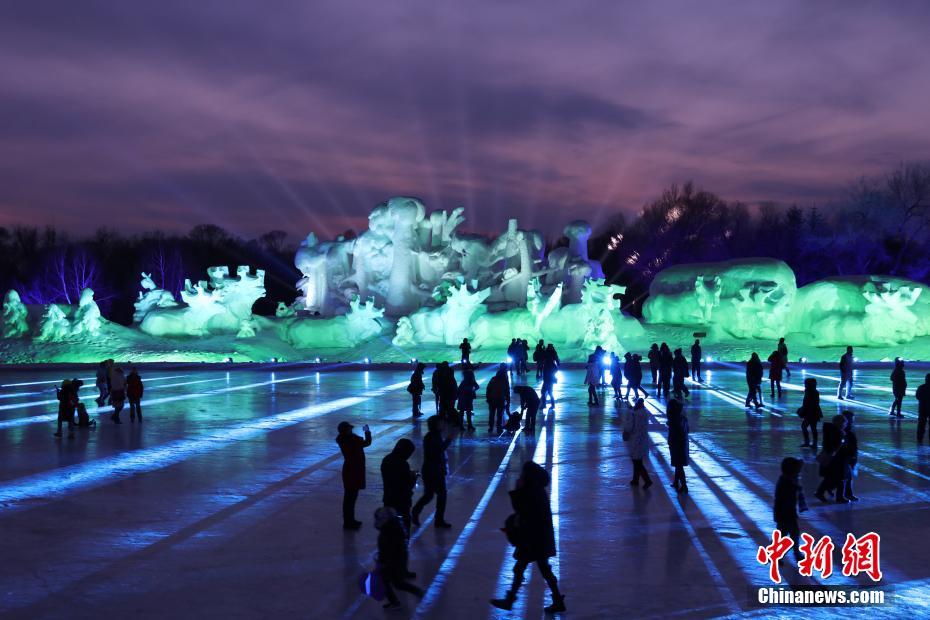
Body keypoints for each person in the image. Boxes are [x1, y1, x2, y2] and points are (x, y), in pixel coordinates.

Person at [490, 461, 565, 613]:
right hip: (539, 538)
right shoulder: (537, 489)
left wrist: (518, 490)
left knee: (522, 568)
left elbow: (522, 510)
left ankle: (510, 600)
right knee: (541, 569)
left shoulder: (532, 491)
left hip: (533, 540)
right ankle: (557, 601)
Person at [376, 507, 423, 611]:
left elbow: (388, 549)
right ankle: (417, 592)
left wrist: (383, 561)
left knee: (388, 581)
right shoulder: (393, 528)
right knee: (397, 583)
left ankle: (396, 602)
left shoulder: (389, 532)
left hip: (392, 561)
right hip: (396, 559)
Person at [412, 415, 454, 528]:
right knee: (439, 495)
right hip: (433, 471)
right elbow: (437, 452)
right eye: (441, 423)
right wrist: (448, 440)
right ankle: (437, 519)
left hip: (433, 470)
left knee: (430, 495)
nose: (443, 424)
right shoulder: (431, 437)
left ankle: (417, 512)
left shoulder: (434, 436)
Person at [336, 420, 372, 530]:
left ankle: (349, 520)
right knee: (350, 498)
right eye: (349, 429)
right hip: (353, 471)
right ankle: (349, 522)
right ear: (346, 431)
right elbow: (367, 443)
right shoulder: (351, 440)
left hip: (350, 470)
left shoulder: (346, 440)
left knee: (350, 497)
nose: (351, 430)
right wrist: (367, 432)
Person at [381, 438, 418, 534]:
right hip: (402, 501)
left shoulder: (387, 459)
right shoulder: (403, 464)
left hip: (389, 498)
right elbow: (407, 484)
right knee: (404, 527)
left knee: (390, 527)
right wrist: (414, 477)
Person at [773, 457, 807, 561]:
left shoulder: (786, 480)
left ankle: (793, 553)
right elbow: (784, 499)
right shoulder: (786, 483)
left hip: (787, 513)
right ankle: (778, 553)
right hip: (785, 514)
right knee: (786, 533)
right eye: (796, 471)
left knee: (791, 533)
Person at [815, 415, 848, 504]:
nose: (846, 425)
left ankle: (822, 492)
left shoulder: (830, 431)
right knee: (839, 479)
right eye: (845, 423)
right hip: (835, 460)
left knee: (831, 478)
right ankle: (839, 497)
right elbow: (836, 446)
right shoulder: (837, 433)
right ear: (841, 423)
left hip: (833, 459)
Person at [624, 399, 652, 488]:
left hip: (635, 439)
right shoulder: (645, 413)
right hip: (643, 439)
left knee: (636, 461)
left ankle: (647, 480)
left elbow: (629, 427)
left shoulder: (634, 414)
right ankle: (635, 479)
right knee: (638, 460)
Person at [667, 399, 689, 493]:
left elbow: (676, 432)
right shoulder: (682, 418)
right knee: (678, 463)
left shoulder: (674, 420)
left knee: (678, 464)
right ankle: (676, 481)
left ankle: (684, 486)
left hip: (677, 444)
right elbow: (687, 430)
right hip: (682, 443)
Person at [798, 377, 823, 450]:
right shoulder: (811, 391)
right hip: (813, 412)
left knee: (806, 426)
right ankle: (812, 443)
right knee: (811, 427)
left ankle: (809, 442)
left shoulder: (812, 392)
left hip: (811, 413)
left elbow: (811, 404)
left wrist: (804, 410)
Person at [840, 410, 859, 502]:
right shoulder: (844, 432)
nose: (851, 421)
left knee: (847, 477)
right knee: (847, 477)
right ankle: (847, 494)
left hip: (848, 457)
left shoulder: (849, 431)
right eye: (849, 419)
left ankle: (847, 494)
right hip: (845, 457)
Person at [486, 366, 510, 433]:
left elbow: (488, 389)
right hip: (500, 400)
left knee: (492, 414)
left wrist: (488, 398)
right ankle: (498, 427)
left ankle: (491, 427)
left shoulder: (493, 379)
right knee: (499, 415)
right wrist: (508, 401)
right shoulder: (504, 381)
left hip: (492, 400)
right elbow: (507, 392)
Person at [916, 374, 930, 443]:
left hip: (922, 408)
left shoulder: (921, 387)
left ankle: (920, 437)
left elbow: (917, 396)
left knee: (921, 424)